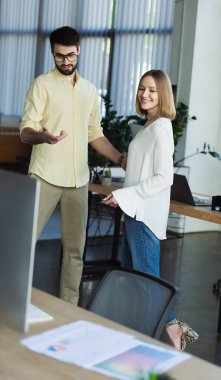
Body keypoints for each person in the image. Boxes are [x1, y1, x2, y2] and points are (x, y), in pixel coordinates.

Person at [19, 26, 126, 306]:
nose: (66, 61)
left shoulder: (90, 91)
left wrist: (121, 159)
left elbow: (95, 134)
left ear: (79, 51)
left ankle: (69, 310)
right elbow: (25, 130)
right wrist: (41, 136)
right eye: (59, 56)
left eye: (71, 55)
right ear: (52, 53)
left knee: (75, 251)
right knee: (22, 243)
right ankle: (10, 300)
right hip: (44, 175)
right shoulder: (41, 85)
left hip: (78, 181)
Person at [101, 69, 199, 350]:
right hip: (134, 213)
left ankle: (163, 335)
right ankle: (162, 332)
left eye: (152, 90)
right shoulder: (148, 126)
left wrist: (125, 196)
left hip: (144, 217)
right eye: (142, 88)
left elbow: (163, 178)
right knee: (139, 278)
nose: (145, 94)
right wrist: (122, 198)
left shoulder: (162, 127)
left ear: (163, 94)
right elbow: (141, 172)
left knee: (147, 282)